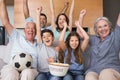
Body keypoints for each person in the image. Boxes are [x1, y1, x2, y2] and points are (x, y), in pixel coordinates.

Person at [0, 0, 38, 80]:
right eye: (28, 28)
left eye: (33, 28)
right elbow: (5, 22)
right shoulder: (17, 36)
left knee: (27, 73)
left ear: (36, 32)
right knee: (11, 75)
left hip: (30, 68)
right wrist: (2, 2)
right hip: (12, 67)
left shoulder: (39, 43)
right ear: (24, 31)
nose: (30, 30)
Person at [82, 12, 120, 80]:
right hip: (94, 70)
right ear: (96, 30)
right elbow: (80, 34)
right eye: (99, 27)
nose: (103, 29)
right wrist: (81, 16)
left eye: (105, 25)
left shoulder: (115, 36)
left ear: (109, 26)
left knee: (105, 74)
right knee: (90, 77)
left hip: (111, 70)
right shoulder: (93, 39)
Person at [57, 14, 89, 80]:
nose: (74, 43)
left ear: (79, 41)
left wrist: (79, 26)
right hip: (68, 73)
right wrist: (65, 27)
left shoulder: (81, 49)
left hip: (79, 73)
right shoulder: (66, 49)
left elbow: (87, 38)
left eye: (76, 40)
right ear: (68, 41)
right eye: (72, 41)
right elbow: (60, 40)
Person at [35, 7, 62, 80]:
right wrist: (38, 14)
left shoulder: (56, 49)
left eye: (48, 36)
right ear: (42, 39)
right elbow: (38, 30)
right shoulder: (40, 46)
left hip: (53, 72)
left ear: (53, 38)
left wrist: (54, 62)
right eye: (44, 37)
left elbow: (60, 65)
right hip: (42, 73)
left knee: (56, 78)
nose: (46, 38)